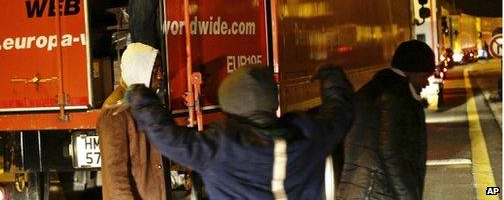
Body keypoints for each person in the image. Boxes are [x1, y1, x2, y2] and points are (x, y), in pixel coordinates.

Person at [125, 63, 354, 199]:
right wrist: (332, 79)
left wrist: (141, 99)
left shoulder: (220, 148)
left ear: (230, 106)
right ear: (271, 101)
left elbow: (168, 138)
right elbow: (340, 113)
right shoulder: (309, 135)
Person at [337, 40, 435, 200]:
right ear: (410, 72)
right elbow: (392, 154)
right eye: (424, 76)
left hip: (360, 191)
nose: (426, 83)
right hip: (376, 192)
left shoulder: (373, 90)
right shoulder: (396, 98)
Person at [97, 43, 167, 199]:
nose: (161, 76)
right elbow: (115, 176)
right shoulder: (115, 113)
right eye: (155, 70)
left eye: (161, 70)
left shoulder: (145, 104)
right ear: (140, 70)